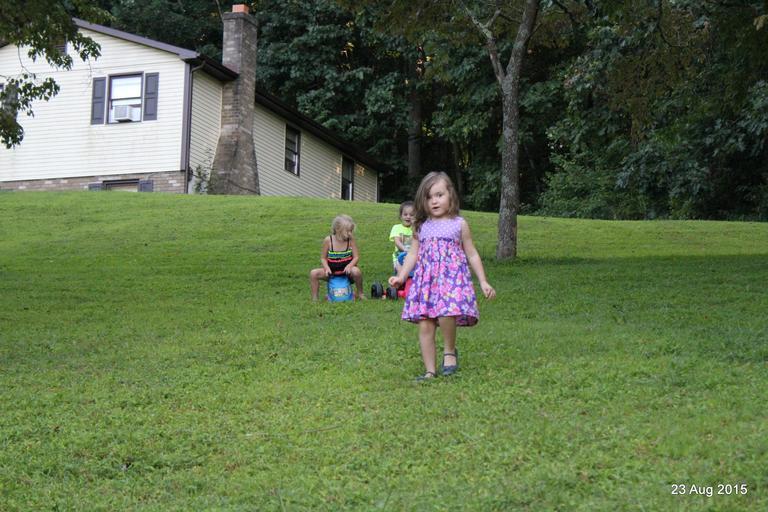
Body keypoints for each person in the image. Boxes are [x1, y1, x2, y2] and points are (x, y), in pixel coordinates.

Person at [389, 172, 495, 381]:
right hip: (426, 282)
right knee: (425, 324)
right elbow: (413, 254)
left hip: (451, 280)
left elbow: (472, 253)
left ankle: (449, 351)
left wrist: (483, 281)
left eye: (439, 195)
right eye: (429, 197)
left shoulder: (459, 224)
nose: (434, 201)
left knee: (447, 313)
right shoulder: (420, 226)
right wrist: (401, 276)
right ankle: (430, 370)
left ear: (450, 196)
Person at [310, 214, 365, 301]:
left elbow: (356, 257)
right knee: (313, 273)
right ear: (337, 229)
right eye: (348, 231)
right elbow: (323, 258)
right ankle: (314, 299)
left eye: (351, 231)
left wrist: (350, 266)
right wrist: (326, 268)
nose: (350, 233)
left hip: (347, 273)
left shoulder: (350, 240)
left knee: (357, 271)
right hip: (331, 272)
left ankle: (360, 293)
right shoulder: (328, 240)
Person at [389, 201, 414, 273]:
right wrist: (405, 249)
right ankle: (399, 279)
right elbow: (397, 241)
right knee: (401, 272)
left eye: (411, 215)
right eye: (405, 214)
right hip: (399, 257)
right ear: (401, 216)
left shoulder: (416, 228)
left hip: (414, 257)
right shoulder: (396, 228)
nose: (408, 217)